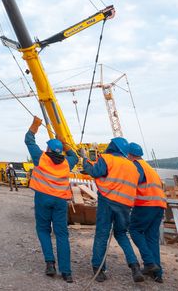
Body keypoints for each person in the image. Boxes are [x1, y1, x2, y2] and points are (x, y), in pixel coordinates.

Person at [82, 137, 144, 283]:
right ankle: (135, 267)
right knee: (122, 234)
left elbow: (95, 172)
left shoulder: (107, 158)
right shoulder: (132, 166)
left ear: (112, 146)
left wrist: (85, 159)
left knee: (102, 235)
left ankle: (99, 270)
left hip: (108, 201)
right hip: (125, 205)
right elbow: (138, 180)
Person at [25, 116, 78, 283]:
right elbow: (75, 157)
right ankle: (66, 272)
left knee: (43, 230)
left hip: (43, 199)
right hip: (60, 201)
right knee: (62, 235)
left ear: (48, 149)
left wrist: (35, 125)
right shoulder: (67, 163)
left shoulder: (40, 158)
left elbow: (28, 140)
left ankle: (50, 264)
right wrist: (65, 143)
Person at [127, 142, 166, 283]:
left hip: (146, 204)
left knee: (135, 230)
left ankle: (149, 262)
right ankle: (157, 274)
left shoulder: (136, 165)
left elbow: (134, 182)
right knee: (151, 238)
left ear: (129, 154)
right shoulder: (148, 167)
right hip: (159, 205)